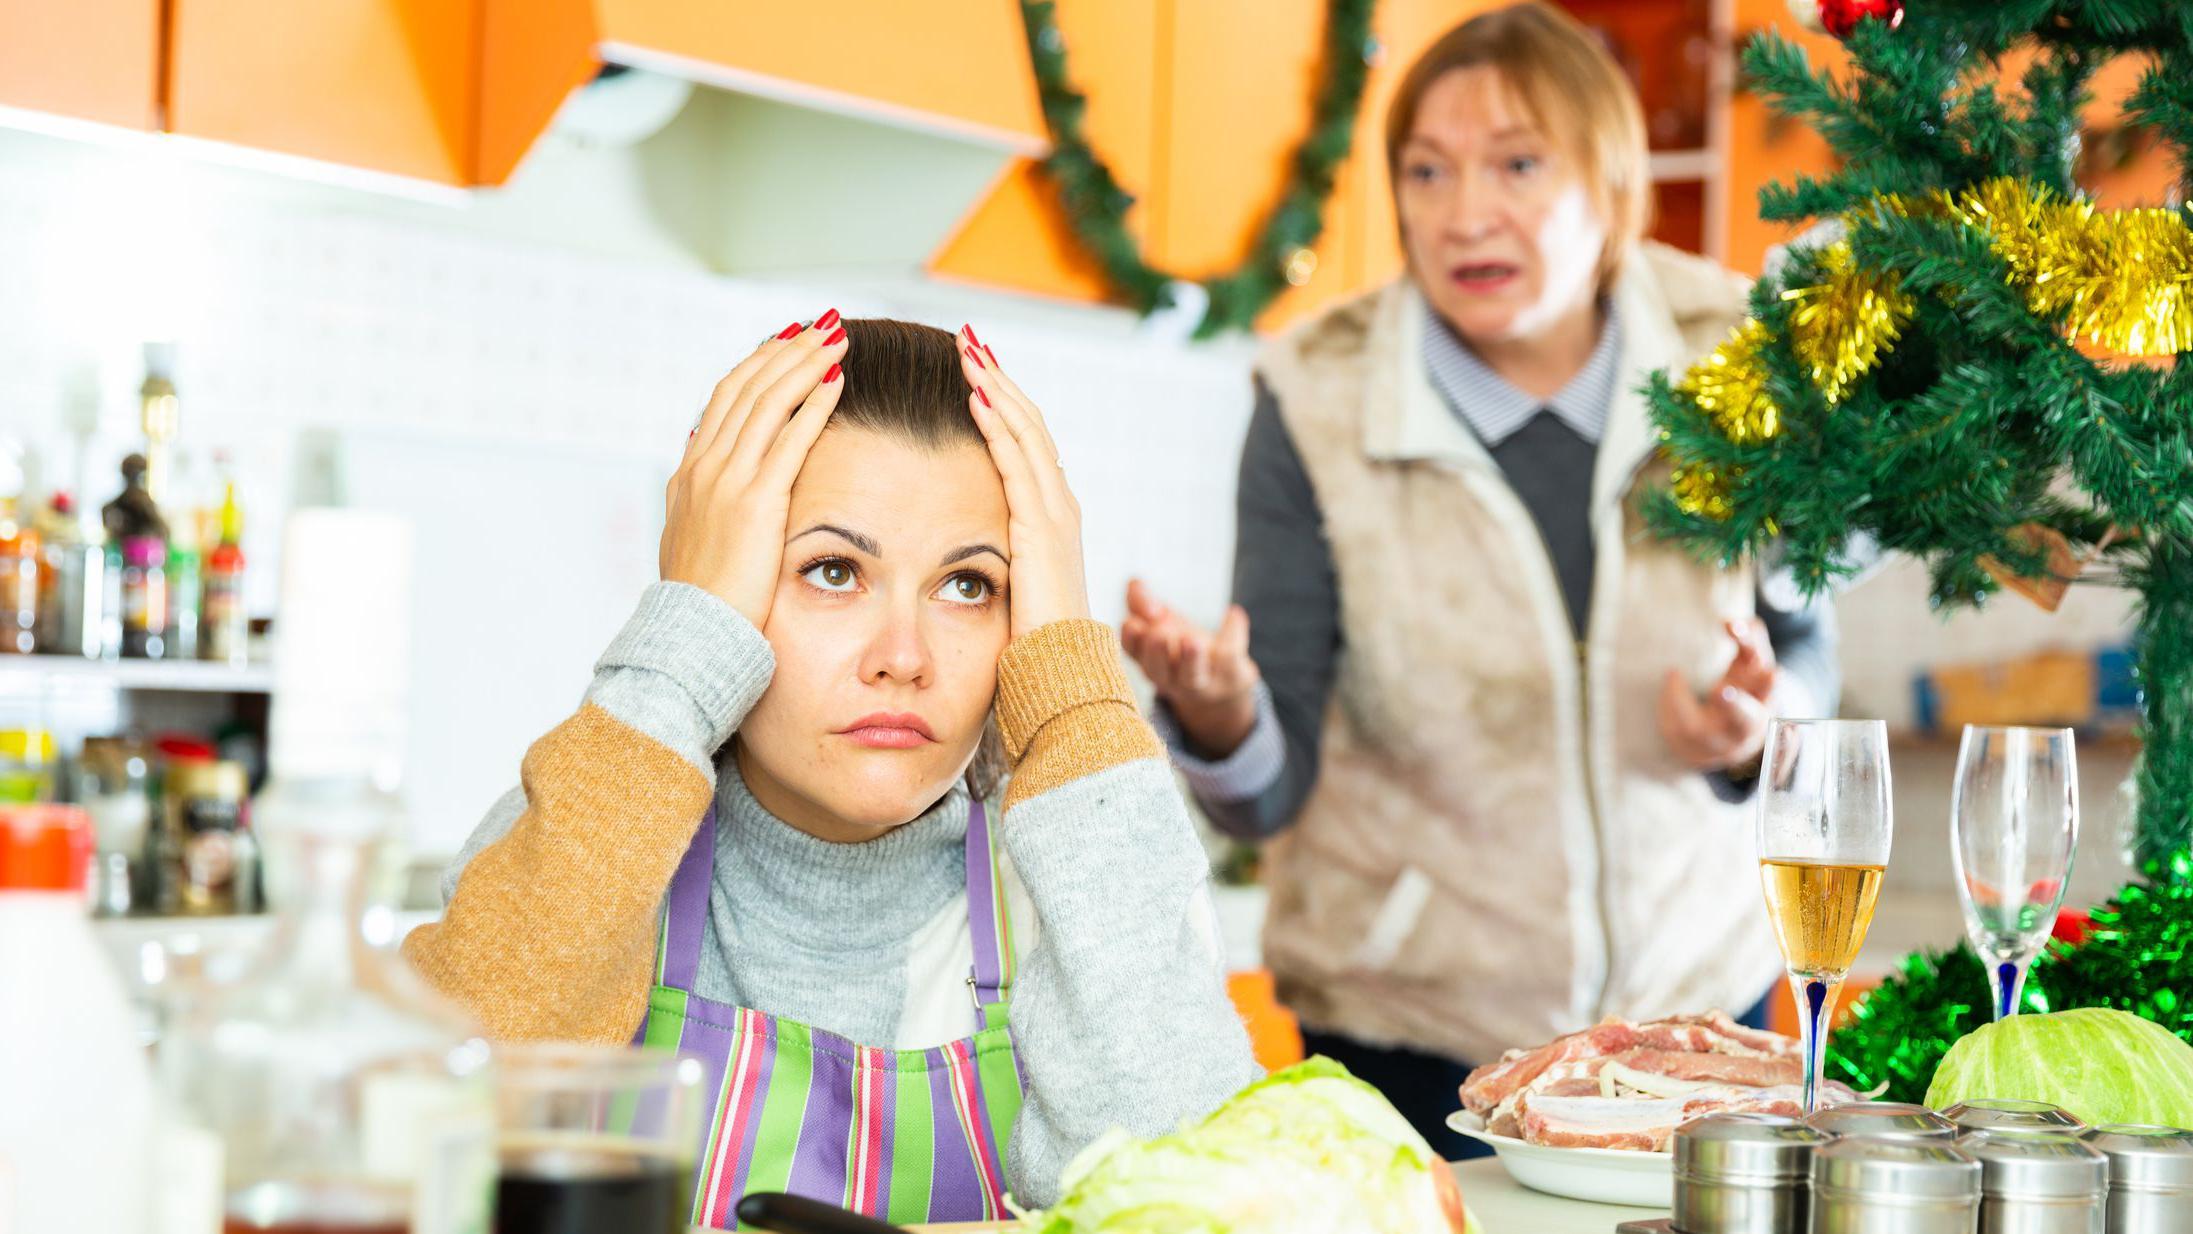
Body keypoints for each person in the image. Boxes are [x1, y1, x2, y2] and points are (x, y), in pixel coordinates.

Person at [1120, 2, 1838, 1158]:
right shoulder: (1317, 396)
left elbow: (1809, 643)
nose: (1464, 214)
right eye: (1426, 171)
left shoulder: (1735, 351)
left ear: (1608, 183)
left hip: (1700, 1018)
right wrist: (1218, 712)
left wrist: (1757, 734)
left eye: (1516, 163)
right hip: (1411, 1040)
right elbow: (1268, 791)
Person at [404, 316, 1257, 1223]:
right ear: (722, 588)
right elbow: (422, 1159)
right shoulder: (582, 835)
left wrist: (1073, 693)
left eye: (969, 586)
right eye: (832, 570)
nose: (904, 655)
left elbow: (1199, 1206)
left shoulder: (1079, 886)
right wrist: (681, 643)